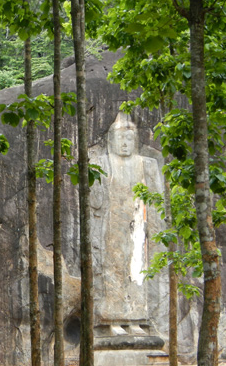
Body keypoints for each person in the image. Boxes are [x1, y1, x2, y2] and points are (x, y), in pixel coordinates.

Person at [90, 112, 164, 335]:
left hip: (138, 225)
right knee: (112, 270)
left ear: (136, 141)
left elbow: (156, 201)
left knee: (137, 269)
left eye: (129, 138)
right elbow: (94, 201)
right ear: (111, 140)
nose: (124, 143)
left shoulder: (146, 165)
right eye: (120, 138)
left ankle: (135, 317)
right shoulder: (102, 163)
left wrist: (156, 231)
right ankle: (113, 319)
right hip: (111, 226)